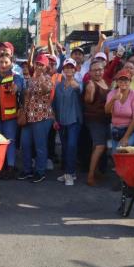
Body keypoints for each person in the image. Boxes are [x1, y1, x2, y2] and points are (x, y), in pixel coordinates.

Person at [0, 52, 24, 178]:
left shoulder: (15, 77)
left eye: (6, 62)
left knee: (10, 142)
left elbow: (19, 84)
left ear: (11, 63)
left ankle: (11, 167)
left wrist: (16, 87)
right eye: (1, 62)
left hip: (10, 119)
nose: (3, 65)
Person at [18, 54, 54, 183]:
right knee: (25, 144)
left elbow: (46, 90)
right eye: (37, 64)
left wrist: (41, 78)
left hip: (42, 117)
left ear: (46, 67)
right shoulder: (31, 80)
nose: (39, 66)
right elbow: (26, 97)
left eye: (42, 65)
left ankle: (40, 171)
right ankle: (27, 170)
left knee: (40, 146)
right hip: (28, 117)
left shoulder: (48, 78)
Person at [53, 58, 83, 186]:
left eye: (71, 67)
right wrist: (55, 119)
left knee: (71, 146)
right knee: (65, 148)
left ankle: (69, 174)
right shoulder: (58, 86)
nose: (69, 69)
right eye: (66, 67)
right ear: (63, 69)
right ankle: (69, 172)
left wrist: (77, 86)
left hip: (74, 121)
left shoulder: (78, 84)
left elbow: (80, 91)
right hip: (61, 122)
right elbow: (54, 105)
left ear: (75, 69)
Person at [84, 60, 111, 186]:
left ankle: (94, 171)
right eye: (95, 70)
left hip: (105, 120)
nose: (98, 72)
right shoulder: (91, 84)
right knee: (100, 146)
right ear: (90, 72)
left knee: (98, 147)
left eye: (100, 69)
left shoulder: (105, 82)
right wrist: (89, 91)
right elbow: (88, 100)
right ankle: (90, 175)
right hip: (95, 120)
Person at [106, 69, 134, 153]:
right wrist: (113, 99)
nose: (123, 82)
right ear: (117, 82)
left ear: (130, 81)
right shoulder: (112, 94)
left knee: (122, 150)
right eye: (121, 80)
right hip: (117, 130)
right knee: (115, 155)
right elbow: (106, 111)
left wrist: (126, 137)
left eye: (126, 80)